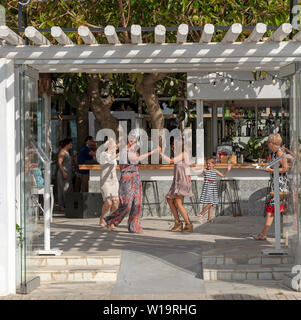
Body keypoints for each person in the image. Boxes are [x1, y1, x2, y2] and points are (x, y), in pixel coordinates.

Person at [105, 134, 159, 234]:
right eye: (134, 142)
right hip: (127, 180)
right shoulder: (124, 152)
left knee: (137, 204)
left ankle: (134, 226)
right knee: (126, 205)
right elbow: (136, 159)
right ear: (129, 142)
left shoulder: (131, 151)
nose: (135, 144)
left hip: (135, 178)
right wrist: (152, 152)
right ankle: (110, 220)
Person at [253, 133, 288, 240]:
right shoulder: (274, 153)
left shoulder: (279, 153)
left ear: (273, 143)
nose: (267, 144)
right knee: (276, 209)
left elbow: (285, 168)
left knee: (271, 208)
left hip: (280, 184)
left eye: (268, 142)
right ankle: (281, 234)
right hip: (275, 183)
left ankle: (264, 233)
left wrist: (271, 170)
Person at [161, 137, 194, 233]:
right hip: (178, 181)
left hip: (181, 181)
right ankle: (178, 222)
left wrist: (160, 153)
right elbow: (187, 168)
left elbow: (171, 161)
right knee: (169, 198)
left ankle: (188, 224)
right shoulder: (180, 154)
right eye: (173, 144)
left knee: (178, 203)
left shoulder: (184, 154)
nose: (173, 146)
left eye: (174, 144)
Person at [198, 157, 231, 223]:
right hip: (207, 187)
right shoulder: (205, 170)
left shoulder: (215, 171)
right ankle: (201, 214)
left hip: (213, 187)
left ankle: (209, 218)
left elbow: (223, 175)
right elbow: (198, 170)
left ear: (213, 164)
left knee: (212, 204)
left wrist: (228, 169)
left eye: (209, 164)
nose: (208, 165)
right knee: (210, 203)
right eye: (207, 163)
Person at [96, 137, 119, 228]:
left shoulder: (114, 154)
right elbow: (110, 159)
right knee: (109, 202)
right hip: (105, 181)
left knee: (116, 202)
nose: (116, 147)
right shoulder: (103, 154)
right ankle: (102, 217)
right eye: (114, 146)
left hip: (114, 181)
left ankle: (110, 220)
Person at [57, 138, 73, 211]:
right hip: (63, 172)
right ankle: (62, 206)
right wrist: (63, 172)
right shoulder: (62, 152)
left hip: (67, 172)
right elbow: (59, 163)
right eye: (70, 144)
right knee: (63, 189)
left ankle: (66, 205)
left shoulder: (67, 152)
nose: (71, 145)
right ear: (67, 144)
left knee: (67, 189)